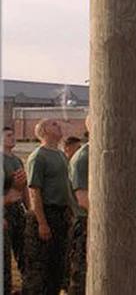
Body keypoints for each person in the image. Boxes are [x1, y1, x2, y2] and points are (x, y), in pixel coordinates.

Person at [22, 119, 71, 295]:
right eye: (53, 124)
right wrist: (42, 223)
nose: (59, 126)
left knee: (57, 266)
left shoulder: (61, 156)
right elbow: (34, 191)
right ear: (44, 131)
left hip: (61, 215)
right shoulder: (38, 157)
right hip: (46, 214)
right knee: (40, 267)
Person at [3, 126, 30, 291]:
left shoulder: (17, 161)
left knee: (25, 252)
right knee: (4, 257)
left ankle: (27, 287)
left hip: (17, 211)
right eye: (8, 135)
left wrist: (30, 210)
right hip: (4, 211)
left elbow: (24, 188)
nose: (12, 138)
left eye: (13, 135)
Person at [67, 117, 90, 295]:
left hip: (98, 222)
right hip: (85, 222)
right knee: (81, 274)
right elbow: (83, 200)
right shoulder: (82, 158)